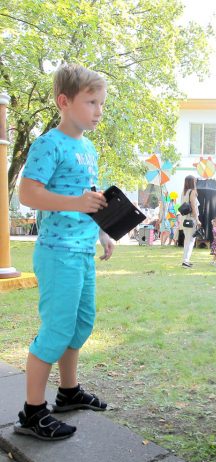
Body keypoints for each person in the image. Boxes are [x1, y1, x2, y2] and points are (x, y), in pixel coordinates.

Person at [15, 64, 112, 441]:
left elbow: (91, 200)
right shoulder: (48, 144)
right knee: (56, 330)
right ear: (64, 102)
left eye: (101, 103)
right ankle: (32, 413)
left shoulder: (88, 148)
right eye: (91, 102)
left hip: (82, 251)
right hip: (57, 253)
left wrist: (103, 230)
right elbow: (28, 194)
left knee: (81, 324)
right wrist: (76, 202)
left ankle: (69, 393)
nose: (98, 110)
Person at [180, 175, 200, 268]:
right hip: (191, 218)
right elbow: (194, 207)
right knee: (190, 240)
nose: (196, 182)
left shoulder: (184, 192)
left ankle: (186, 259)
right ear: (192, 182)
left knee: (187, 240)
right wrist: (197, 219)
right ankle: (185, 261)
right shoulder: (193, 192)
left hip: (184, 218)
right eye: (195, 181)